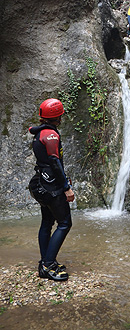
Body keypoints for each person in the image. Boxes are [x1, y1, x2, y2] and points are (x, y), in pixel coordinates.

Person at [28, 98, 74, 281]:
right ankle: (48, 264)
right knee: (64, 223)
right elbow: (55, 163)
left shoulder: (41, 132)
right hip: (52, 185)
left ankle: (45, 263)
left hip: (41, 182)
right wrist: (66, 188)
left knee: (47, 223)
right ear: (58, 116)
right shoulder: (52, 135)